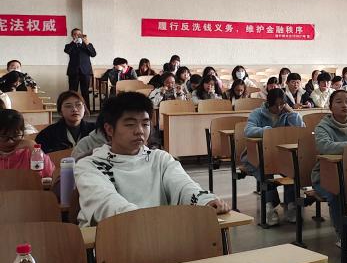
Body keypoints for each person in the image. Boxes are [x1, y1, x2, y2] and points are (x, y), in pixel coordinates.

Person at [75, 92, 229, 226]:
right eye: (130, 124)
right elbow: (106, 203)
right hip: (118, 238)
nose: (139, 131)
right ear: (109, 129)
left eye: (145, 124)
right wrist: (148, 221)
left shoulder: (160, 158)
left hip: (160, 233)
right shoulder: (90, 165)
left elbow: (183, 185)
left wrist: (205, 201)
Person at [311, 90, 347, 249]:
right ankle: (343, 236)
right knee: (336, 193)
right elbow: (325, 146)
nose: (344, 105)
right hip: (326, 177)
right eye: (339, 102)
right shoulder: (323, 127)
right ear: (330, 107)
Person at [244, 88, 305, 225]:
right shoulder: (258, 113)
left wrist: (292, 112)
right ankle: (269, 205)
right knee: (265, 170)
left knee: (292, 168)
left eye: (282, 104)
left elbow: (300, 129)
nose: (278, 108)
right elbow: (248, 131)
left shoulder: (286, 113)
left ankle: (291, 204)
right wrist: (269, 132)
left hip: (281, 154)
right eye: (275, 105)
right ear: (268, 103)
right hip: (259, 154)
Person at [0, 109, 55, 177]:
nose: (10, 141)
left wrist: (33, 146)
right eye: (4, 136)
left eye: (16, 135)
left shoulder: (28, 152)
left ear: (23, 133)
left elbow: (49, 173)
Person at [64, 28, 96, 100]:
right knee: (72, 92)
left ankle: (86, 107)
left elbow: (93, 54)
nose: (77, 36)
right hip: (73, 71)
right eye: (75, 34)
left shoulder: (87, 45)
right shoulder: (69, 45)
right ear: (72, 36)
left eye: (79, 34)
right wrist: (74, 42)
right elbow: (67, 51)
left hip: (85, 71)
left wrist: (87, 43)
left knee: (85, 92)